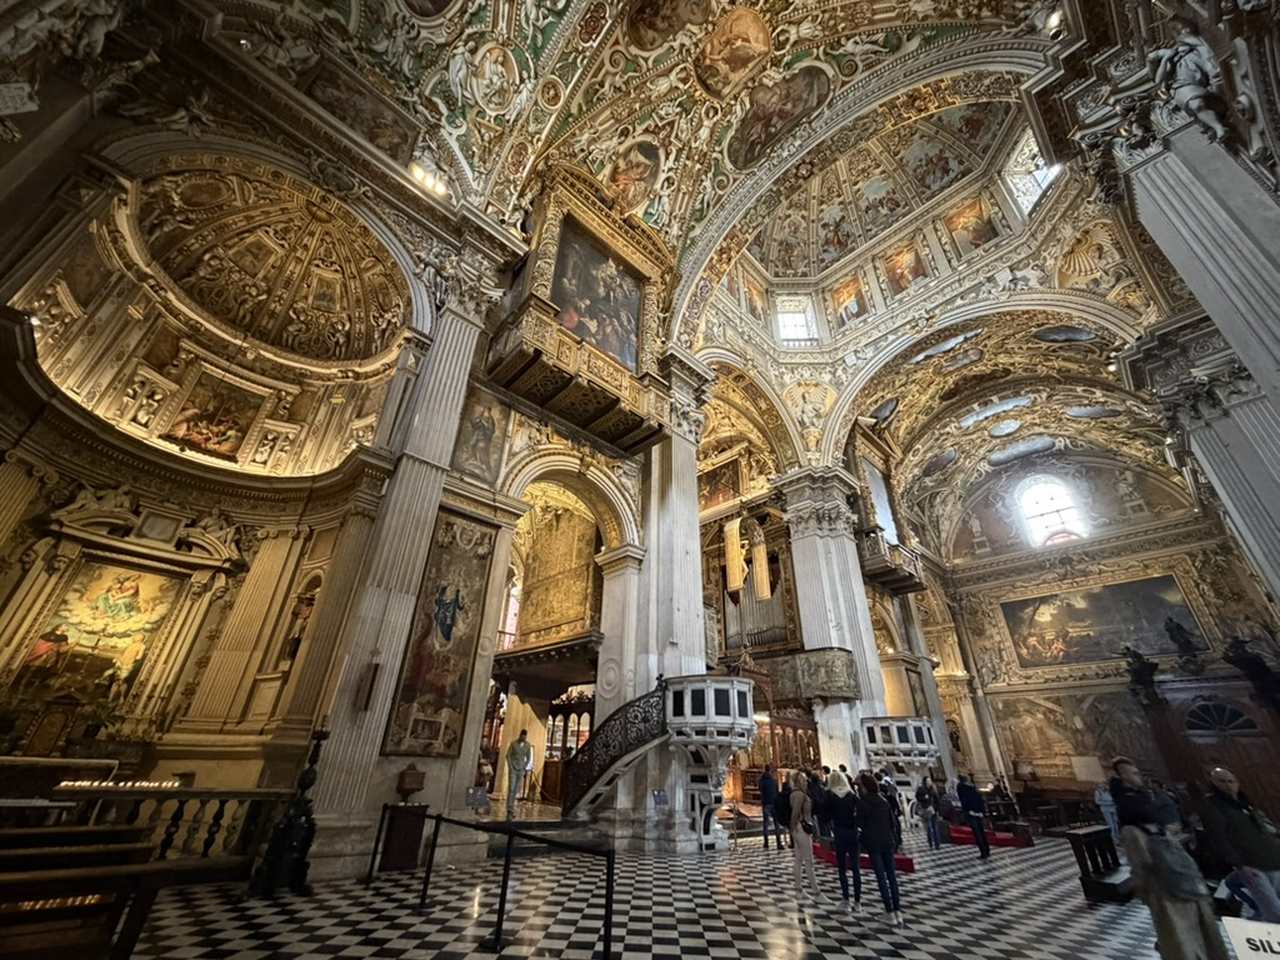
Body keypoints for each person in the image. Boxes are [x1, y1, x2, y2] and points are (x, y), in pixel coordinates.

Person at [1110, 757, 1229, 960]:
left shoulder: (1152, 824)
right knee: (1181, 938)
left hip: (1180, 884)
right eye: (1134, 773)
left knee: (1194, 936)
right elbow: (1141, 865)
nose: (1139, 776)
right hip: (1167, 889)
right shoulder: (1134, 829)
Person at [1202, 766, 1280, 922]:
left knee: (1273, 901)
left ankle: (1257, 914)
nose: (1228, 785)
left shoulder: (1244, 802)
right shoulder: (1213, 805)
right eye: (1222, 781)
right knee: (1274, 911)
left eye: (1231, 781)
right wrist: (1238, 863)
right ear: (1213, 783)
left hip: (1271, 858)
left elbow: (1263, 828)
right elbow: (1219, 838)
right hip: (1249, 863)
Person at [857, 773, 902, 926]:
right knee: (891, 876)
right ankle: (897, 911)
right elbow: (892, 823)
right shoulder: (883, 801)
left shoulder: (863, 802)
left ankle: (889, 912)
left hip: (874, 842)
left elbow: (860, 824)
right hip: (887, 841)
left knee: (881, 877)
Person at [828, 770, 862, 912]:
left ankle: (846, 899)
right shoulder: (852, 795)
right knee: (855, 868)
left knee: (842, 868)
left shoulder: (831, 796)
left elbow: (826, 815)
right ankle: (858, 902)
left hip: (839, 832)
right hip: (853, 833)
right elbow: (859, 814)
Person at [789, 771, 822, 901]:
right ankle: (816, 892)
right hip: (801, 828)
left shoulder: (797, 793)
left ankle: (799, 889)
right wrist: (793, 828)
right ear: (798, 781)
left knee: (799, 859)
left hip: (798, 828)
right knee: (808, 860)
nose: (806, 781)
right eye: (803, 779)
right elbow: (795, 812)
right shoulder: (799, 794)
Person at [957, 775, 990, 860]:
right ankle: (987, 850)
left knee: (977, 833)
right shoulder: (973, 787)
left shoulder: (961, 787)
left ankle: (983, 852)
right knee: (981, 831)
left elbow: (963, 800)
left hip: (971, 812)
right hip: (978, 812)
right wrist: (982, 811)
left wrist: (967, 810)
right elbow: (980, 799)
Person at [505, 729, 533, 819]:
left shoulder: (528, 745)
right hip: (513, 768)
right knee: (511, 788)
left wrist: (524, 767)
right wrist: (510, 766)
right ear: (520, 735)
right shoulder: (513, 744)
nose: (524, 738)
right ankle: (509, 808)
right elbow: (508, 755)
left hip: (521, 770)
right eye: (522, 736)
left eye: (525, 736)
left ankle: (511, 806)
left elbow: (528, 757)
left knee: (516, 789)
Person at [759, 764, 785, 850]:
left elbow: (761, 791)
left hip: (766, 803)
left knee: (766, 823)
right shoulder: (774, 781)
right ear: (770, 771)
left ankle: (766, 843)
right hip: (774, 803)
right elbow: (777, 791)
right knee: (776, 823)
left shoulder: (761, 781)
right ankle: (779, 843)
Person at [916, 776, 942, 850]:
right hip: (926, 810)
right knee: (929, 828)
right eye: (928, 781)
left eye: (930, 781)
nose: (929, 782)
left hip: (933, 811)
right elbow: (918, 798)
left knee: (935, 828)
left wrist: (937, 810)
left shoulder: (933, 789)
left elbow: (937, 800)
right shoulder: (921, 789)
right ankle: (930, 843)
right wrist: (924, 798)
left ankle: (937, 844)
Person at [809, 767, 832, 841]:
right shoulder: (821, 786)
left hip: (818, 811)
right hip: (824, 810)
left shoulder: (813, 788)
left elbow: (815, 799)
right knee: (825, 828)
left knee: (821, 828)